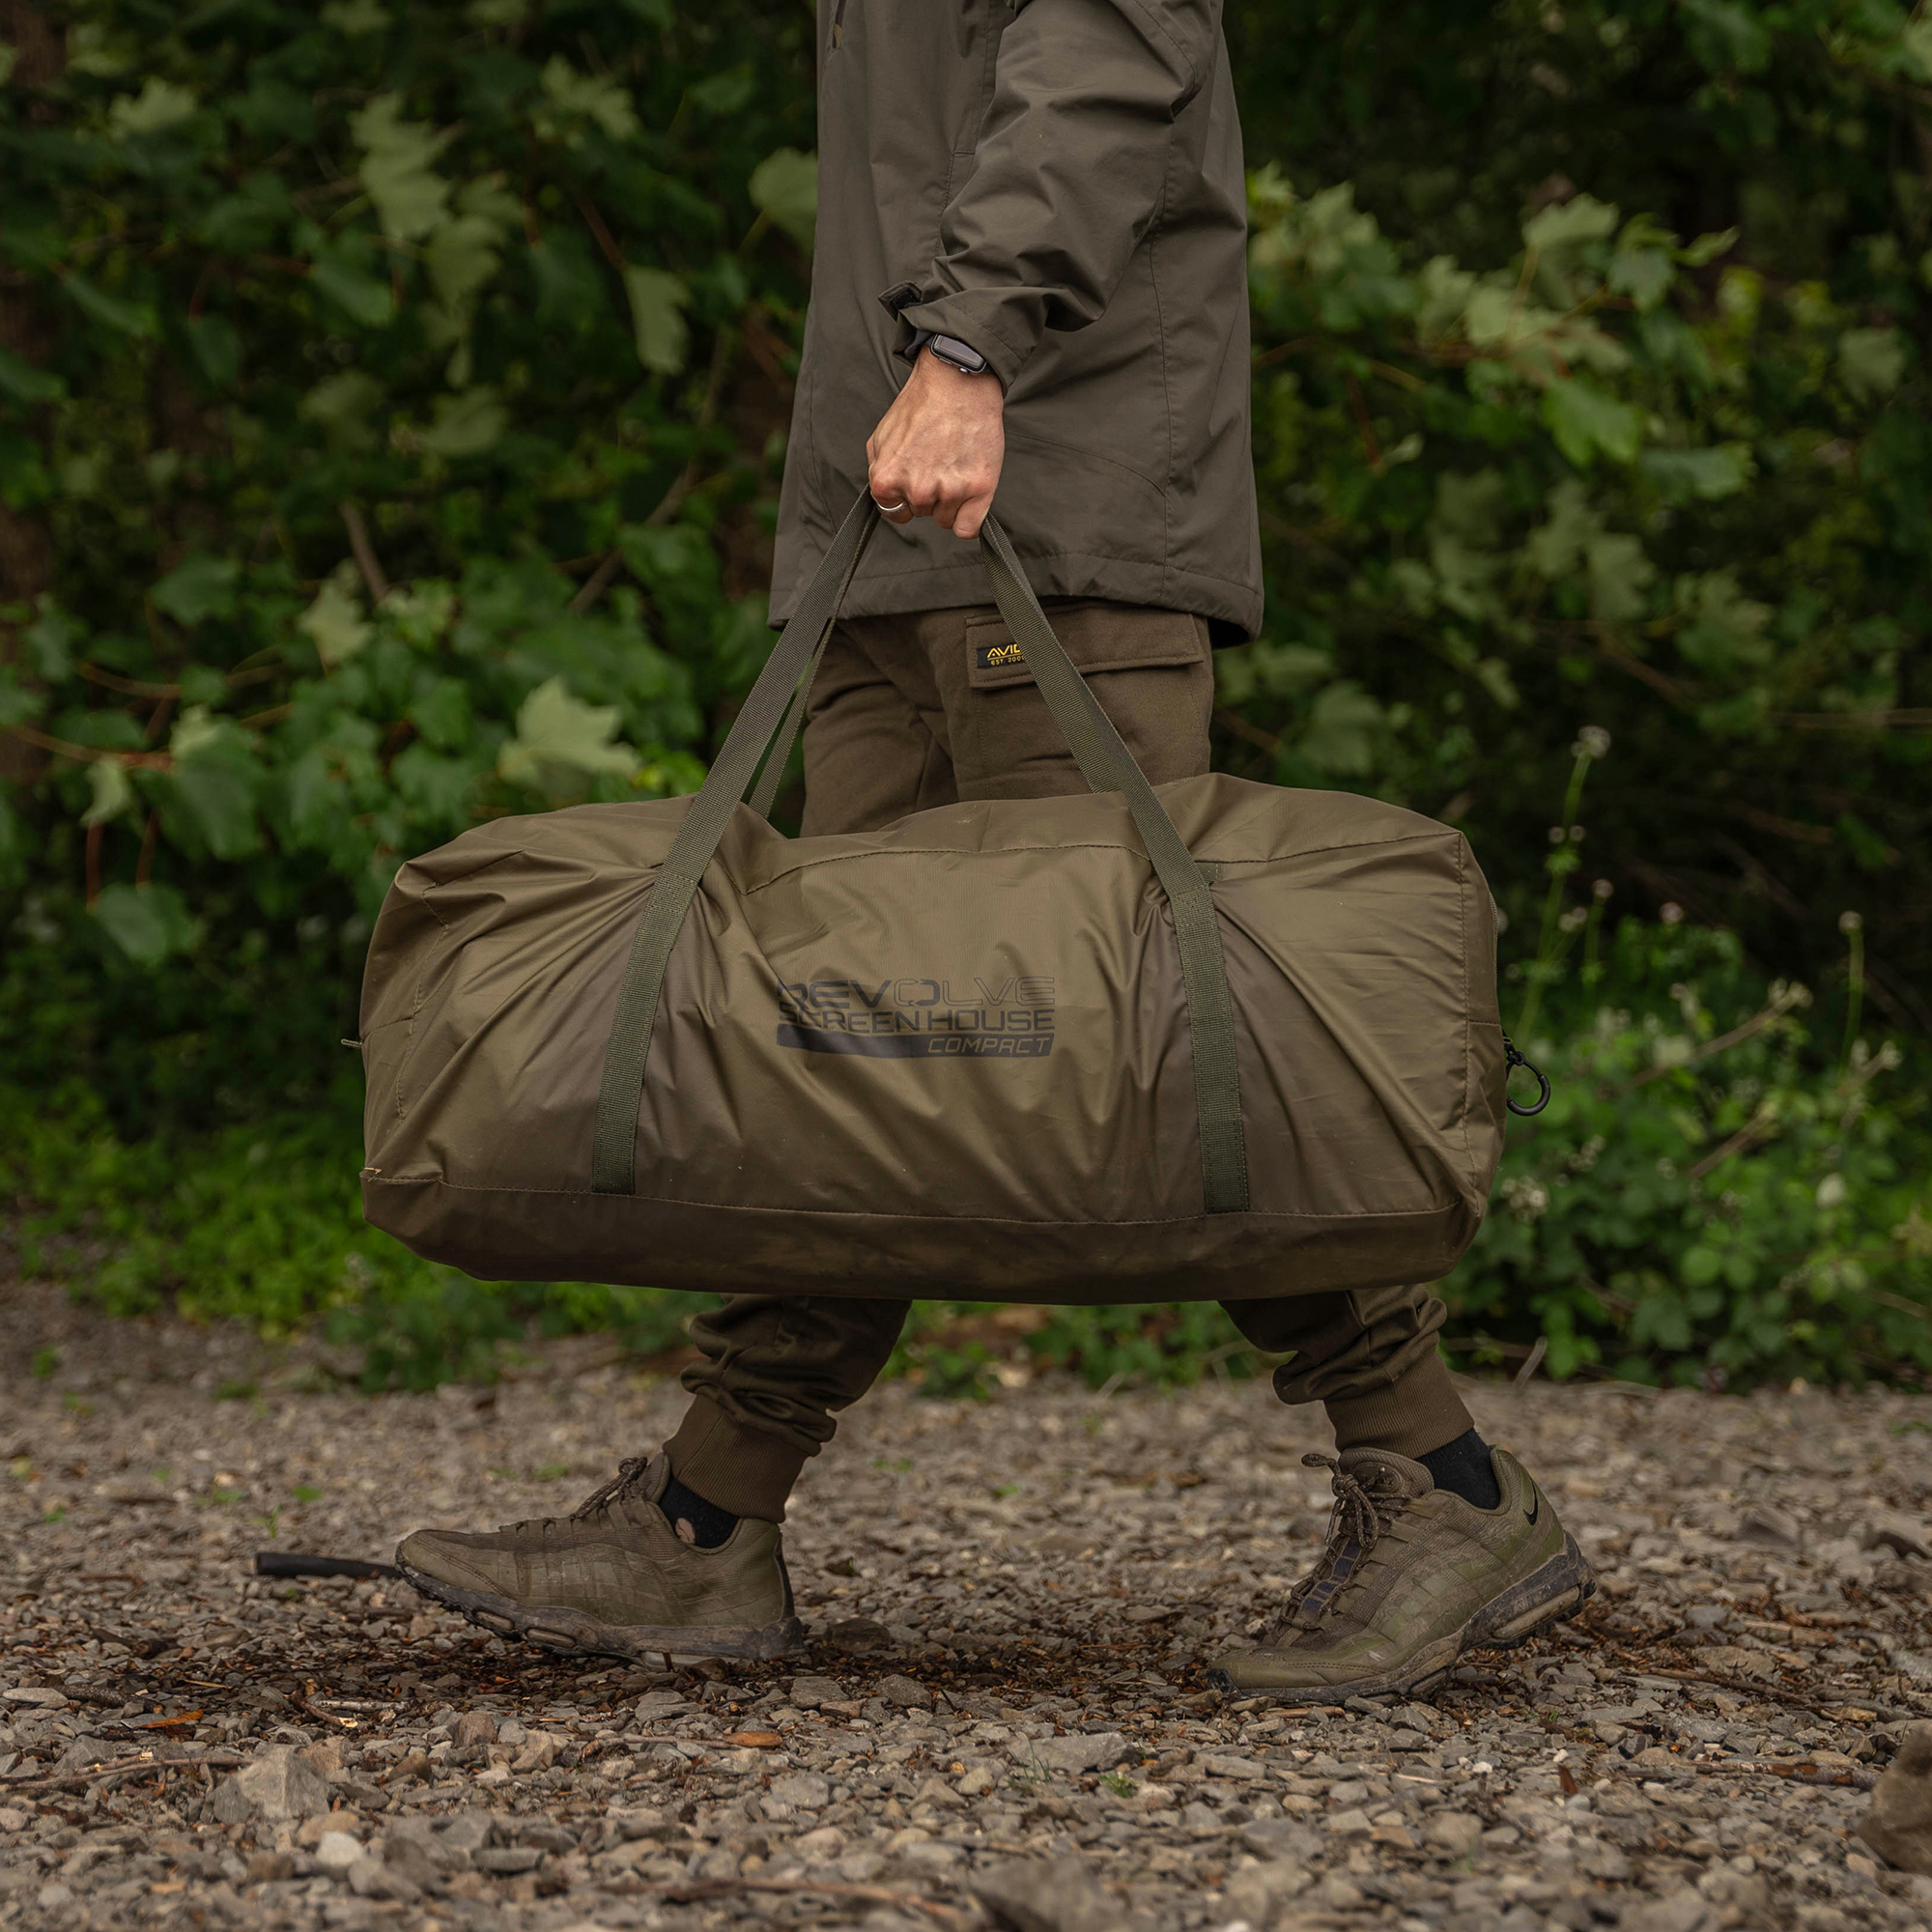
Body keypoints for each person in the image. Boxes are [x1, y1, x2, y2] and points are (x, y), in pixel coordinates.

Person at [396, 0, 1592, 1700]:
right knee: (837, 1066)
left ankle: (1444, 1481)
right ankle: (705, 1523)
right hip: (893, 525)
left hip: (1051, 496)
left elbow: (1104, 55)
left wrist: (968, 350)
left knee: (1150, 1052)